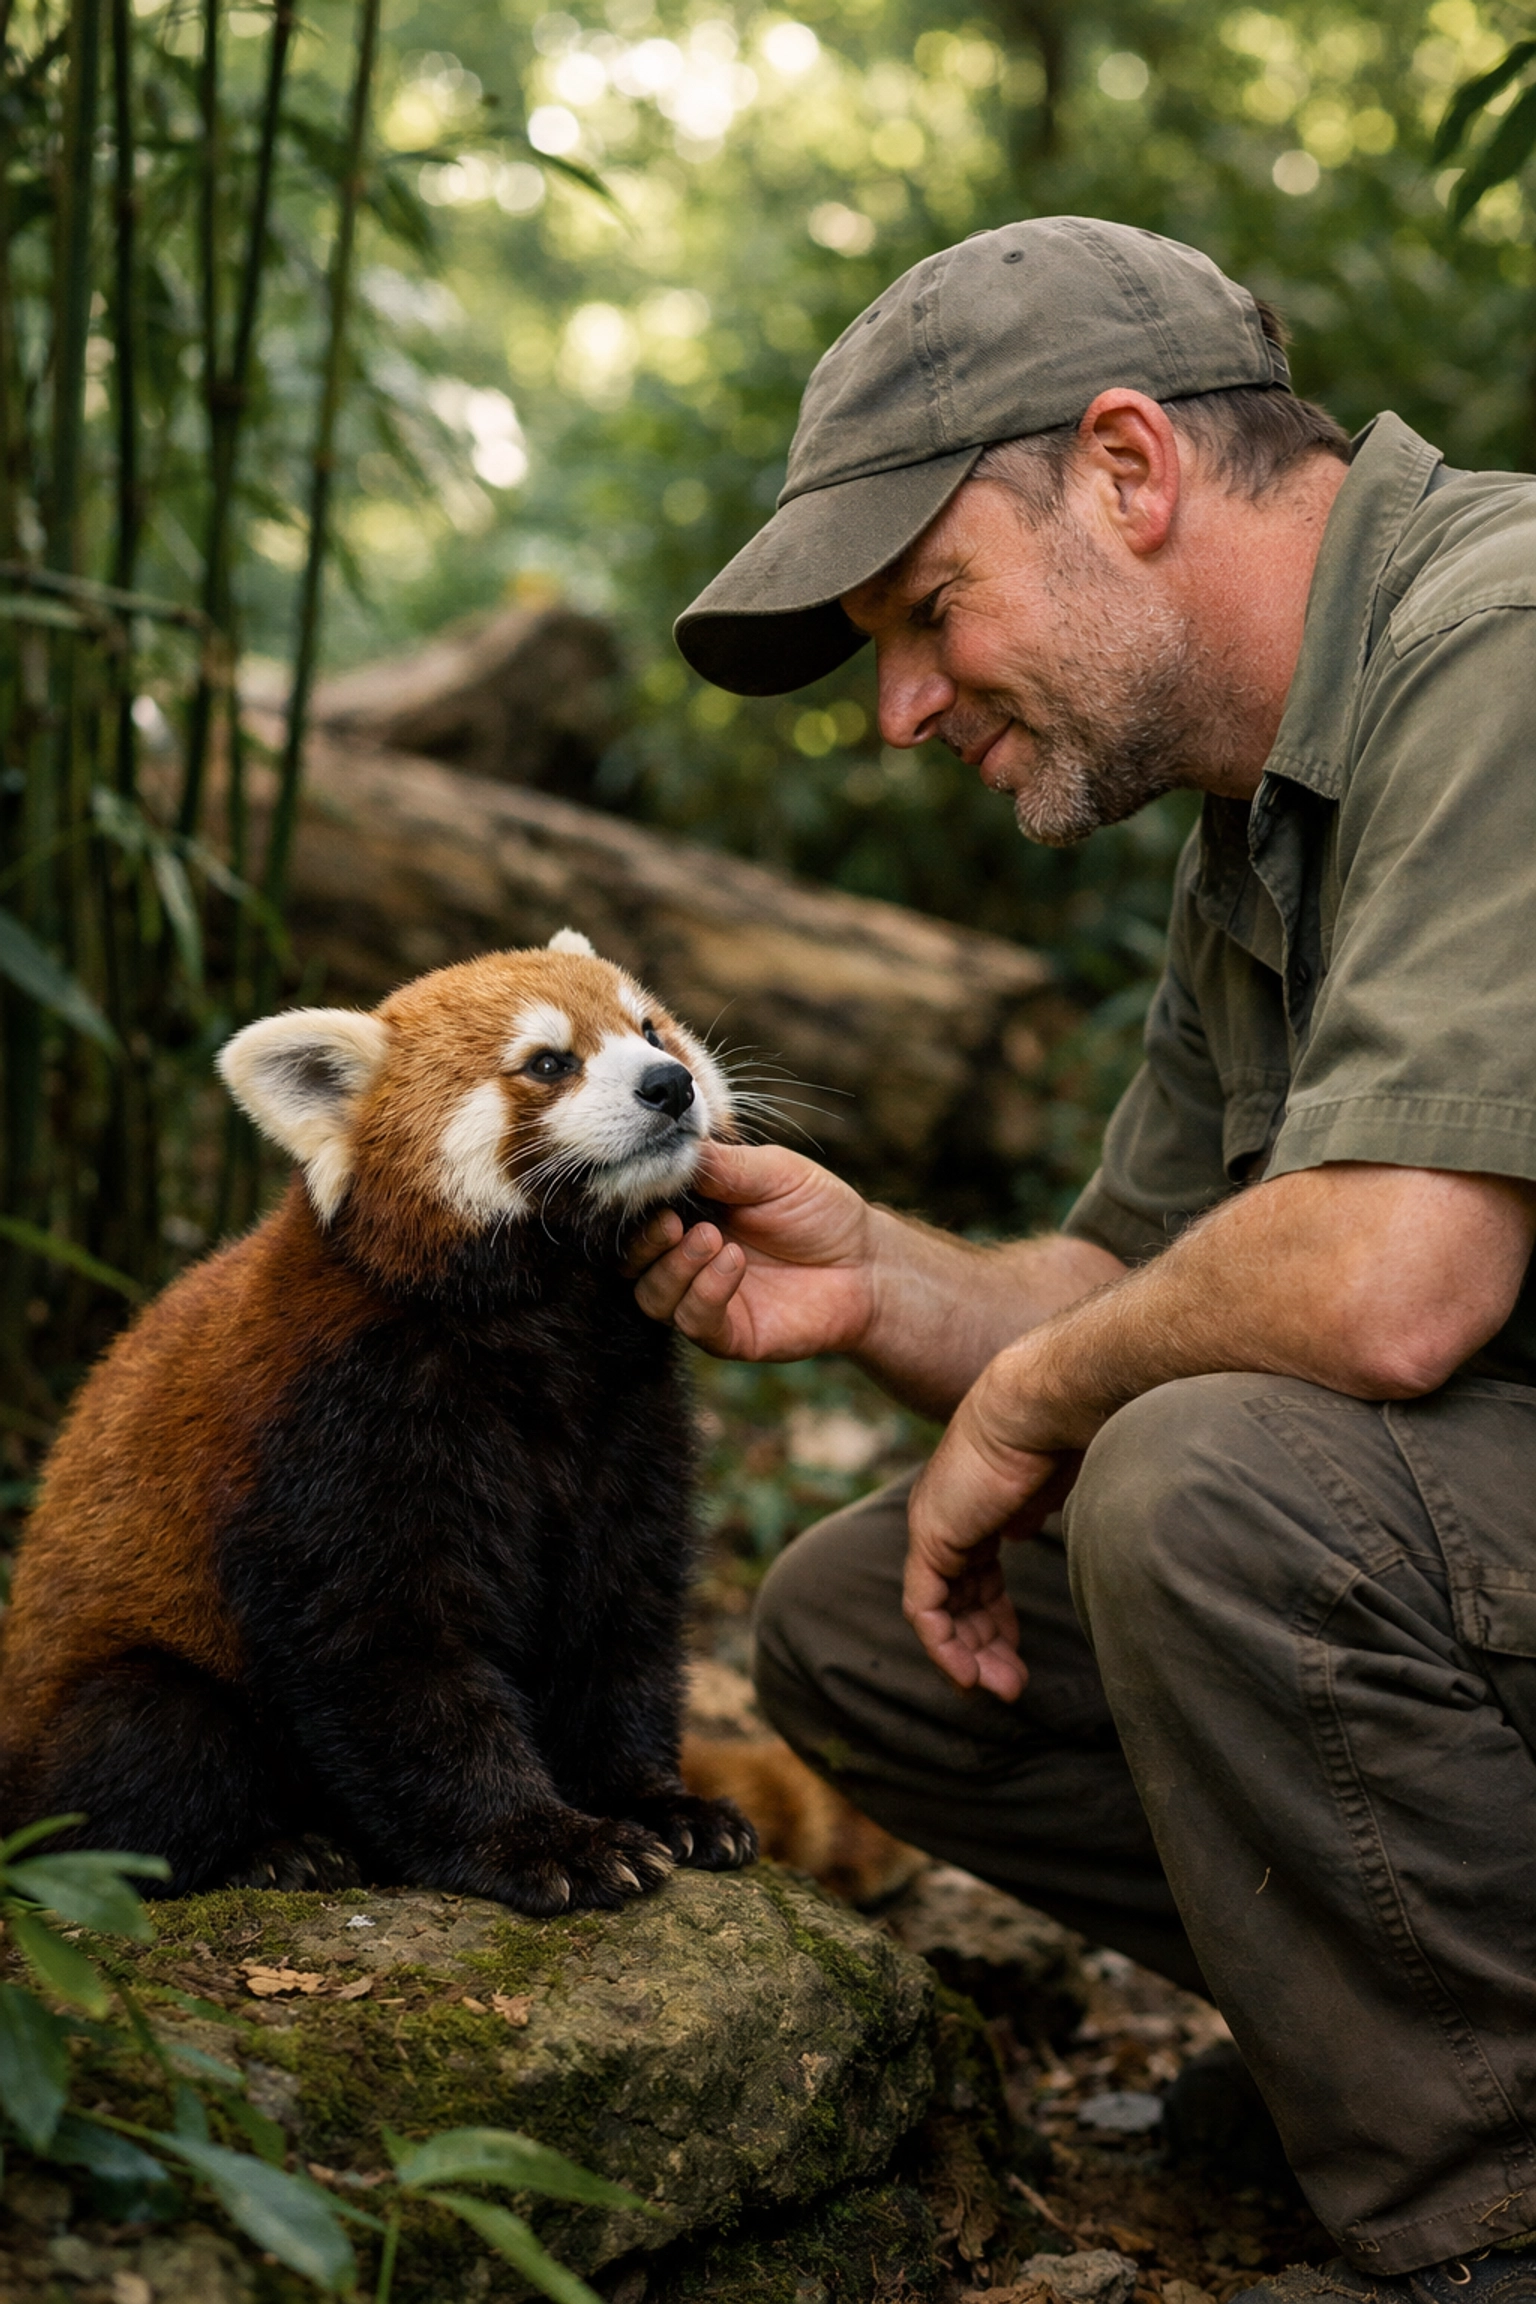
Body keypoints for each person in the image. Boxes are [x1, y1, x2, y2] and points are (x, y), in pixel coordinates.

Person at [626, 217, 1536, 2304]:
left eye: (928, 609)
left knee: (1199, 1484)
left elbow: (1393, 1280)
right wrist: (883, 1283)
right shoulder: (1255, 820)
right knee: (864, 1627)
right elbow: (1146, 1279)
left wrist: (1040, 1391)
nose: (900, 709)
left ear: (1129, 472)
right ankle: (1379, 2056)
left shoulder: (1500, 643)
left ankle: (1494, 2211)